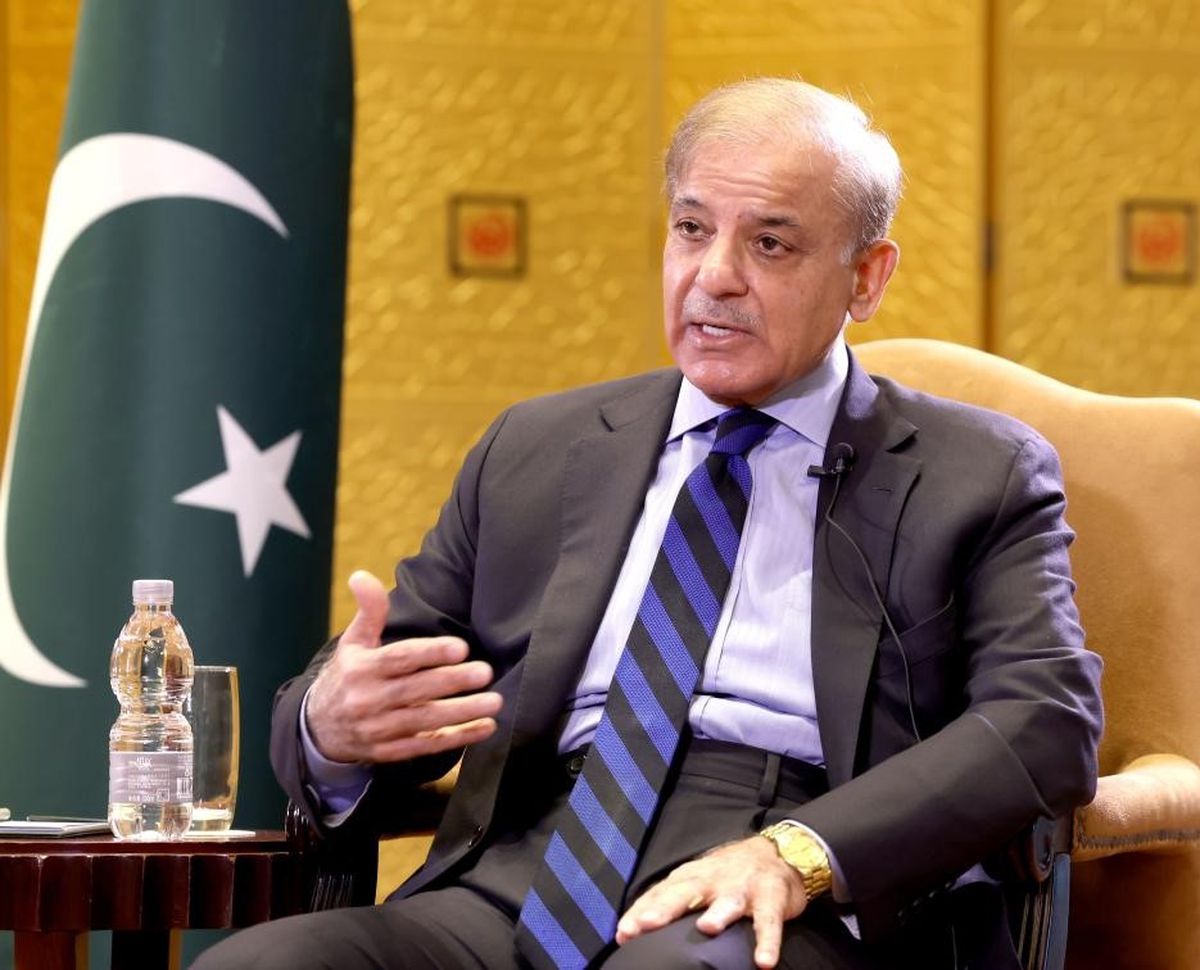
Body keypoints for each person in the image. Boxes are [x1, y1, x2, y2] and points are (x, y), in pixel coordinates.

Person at [195, 77, 1103, 970]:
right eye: (692, 229)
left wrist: (801, 852)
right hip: (525, 871)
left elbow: (1046, 719)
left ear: (866, 278)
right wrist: (331, 725)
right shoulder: (537, 448)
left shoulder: (975, 472)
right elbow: (394, 683)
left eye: (771, 243)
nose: (715, 277)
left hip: (791, 887)